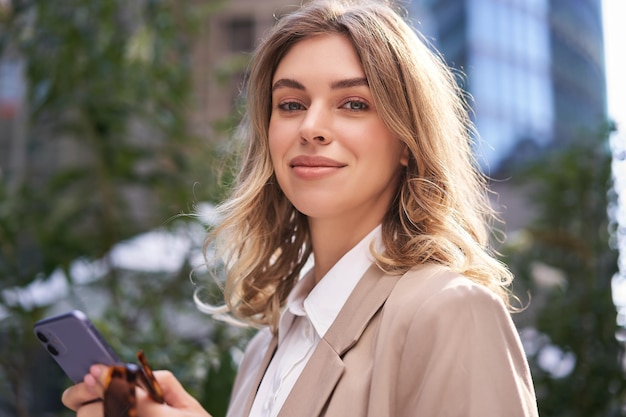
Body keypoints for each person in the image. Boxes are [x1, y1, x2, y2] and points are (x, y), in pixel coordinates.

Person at [62, 0, 539, 416]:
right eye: (290, 104)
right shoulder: (263, 351)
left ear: (406, 142)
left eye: (353, 104)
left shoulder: (450, 311)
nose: (310, 126)